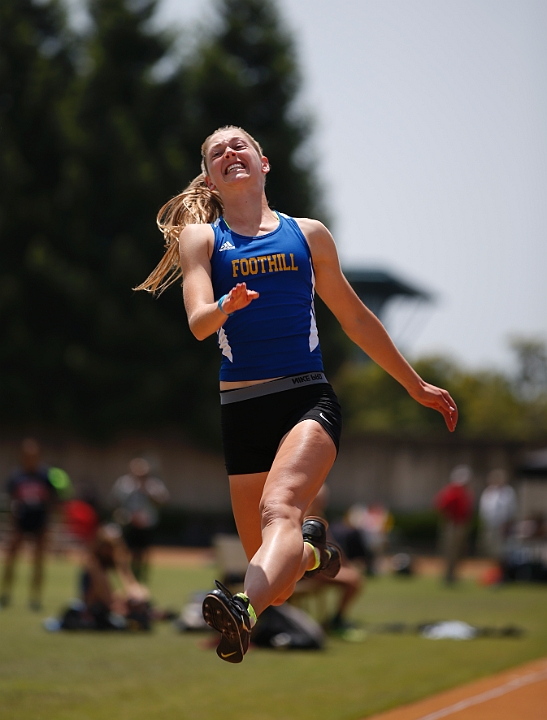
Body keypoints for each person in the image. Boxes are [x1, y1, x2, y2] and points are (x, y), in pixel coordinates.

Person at [135, 125, 458, 663]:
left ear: (264, 163)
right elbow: (197, 322)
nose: (228, 154)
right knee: (278, 575)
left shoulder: (308, 235)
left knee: (278, 509)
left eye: (238, 146)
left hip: (306, 398)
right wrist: (225, 308)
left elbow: (355, 317)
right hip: (241, 411)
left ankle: (241, 608)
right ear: (211, 180)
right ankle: (309, 551)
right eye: (216, 153)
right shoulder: (202, 240)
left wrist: (415, 384)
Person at [1, 439, 63, 610]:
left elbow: (54, 499)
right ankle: (5, 595)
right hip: (21, 521)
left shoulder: (46, 475)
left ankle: (35, 598)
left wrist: (49, 522)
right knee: (11, 559)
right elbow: (11, 500)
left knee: (38, 561)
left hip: (40, 522)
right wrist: (13, 522)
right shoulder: (17, 476)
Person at [110, 458, 170, 581]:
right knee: (125, 550)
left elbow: (163, 501)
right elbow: (115, 501)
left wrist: (147, 492)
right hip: (129, 522)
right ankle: (127, 574)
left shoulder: (153, 485)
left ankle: (140, 573)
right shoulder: (124, 483)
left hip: (146, 524)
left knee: (143, 552)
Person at [434, 465, 474, 584]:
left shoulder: (464, 492)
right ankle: (448, 575)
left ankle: (453, 574)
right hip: (453, 525)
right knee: (450, 551)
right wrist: (449, 519)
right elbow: (441, 506)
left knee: (459, 552)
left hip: (461, 524)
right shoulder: (452, 491)